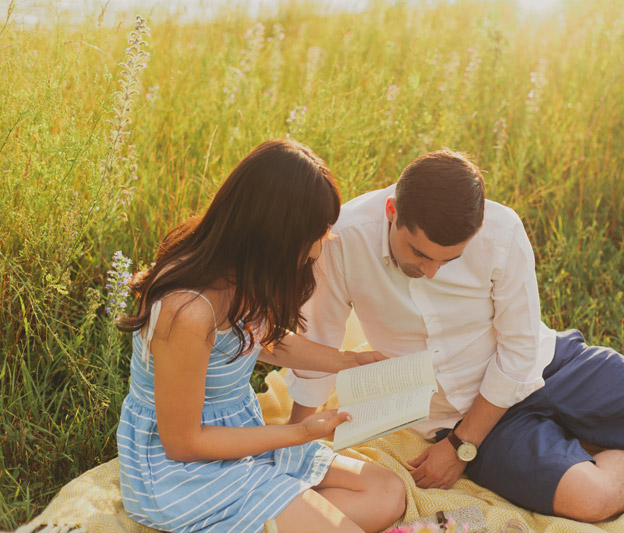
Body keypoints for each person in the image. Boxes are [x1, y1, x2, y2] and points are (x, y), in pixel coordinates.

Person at [286, 149, 624, 522]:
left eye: (450, 259)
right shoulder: (343, 240)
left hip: (550, 364)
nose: (434, 271)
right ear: (393, 212)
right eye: (420, 255)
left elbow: (519, 352)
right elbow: (317, 343)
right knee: (591, 499)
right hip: (459, 414)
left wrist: (462, 449)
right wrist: (294, 446)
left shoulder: (501, 231)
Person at [115, 139, 406, 533]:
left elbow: (262, 338)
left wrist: (348, 361)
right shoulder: (187, 312)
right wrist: (299, 433)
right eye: (316, 233)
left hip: (241, 440)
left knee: (387, 491)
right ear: (274, 234)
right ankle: (278, 514)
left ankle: (273, 518)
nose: (323, 245)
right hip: (184, 471)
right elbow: (182, 443)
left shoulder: (243, 272)